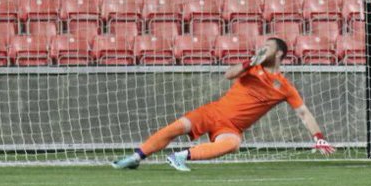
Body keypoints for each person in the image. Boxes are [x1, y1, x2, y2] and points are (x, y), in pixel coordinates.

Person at [112, 37, 334, 172]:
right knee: (176, 127)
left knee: (233, 144)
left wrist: (318, 137)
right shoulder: (252, 68)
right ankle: (135, 157)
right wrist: (249, 62)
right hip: (213, 112)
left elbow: (304, 113)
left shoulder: (284, 86)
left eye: (267, 47)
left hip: (231, 127)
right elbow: (229, 74)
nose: (262, 50)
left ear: (279, 53)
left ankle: (179, 156)